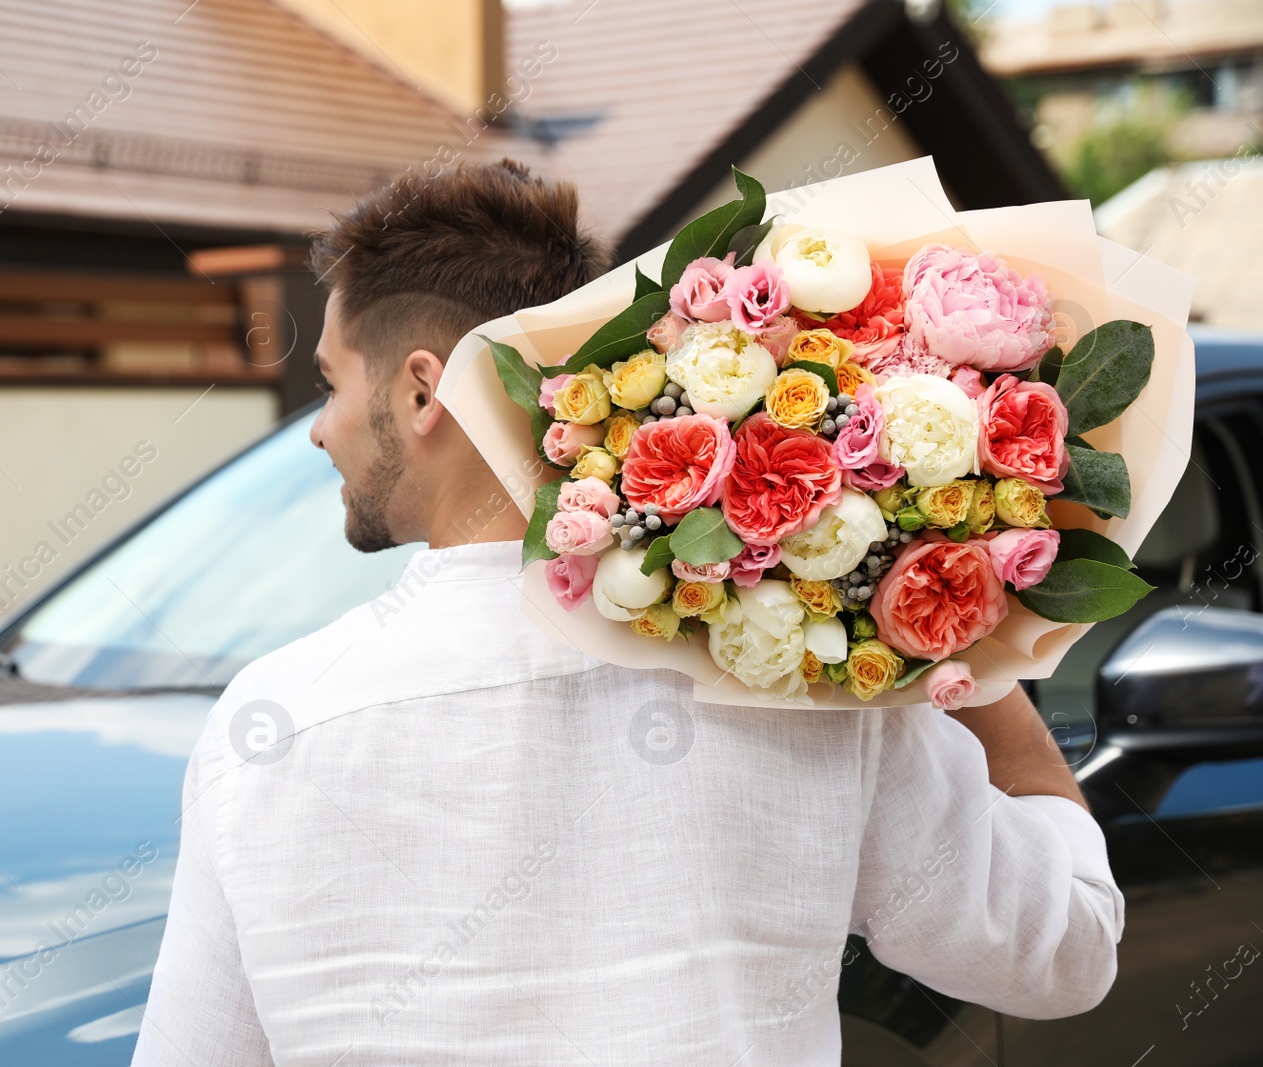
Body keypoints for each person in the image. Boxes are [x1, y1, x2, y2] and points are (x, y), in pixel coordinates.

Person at [132, 159, 1123, 1066]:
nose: (318, 429)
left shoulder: (268, 724)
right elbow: (1066, 954)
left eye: (331, 383)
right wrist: (960, 633)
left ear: (423, 388)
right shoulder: (790, 678)